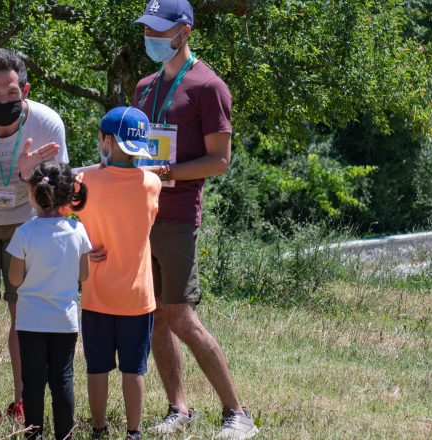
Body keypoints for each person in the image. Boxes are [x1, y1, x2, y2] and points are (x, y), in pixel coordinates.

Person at [132, 0, 260, 438]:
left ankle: (238, 413)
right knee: (154, 316)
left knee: (181, 315)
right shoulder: (144, 87)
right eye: (147, 29)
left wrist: (169, 173)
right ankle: (179, 409)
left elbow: (220, 160)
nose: (151, 37)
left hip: (179, 215)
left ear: (184, 31)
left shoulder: (209, 87)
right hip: (141, 213)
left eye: (159, 30)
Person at [0, 48, 68, 423]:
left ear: (25, 89)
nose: (3, 100)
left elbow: (59, 194)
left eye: (11, 93)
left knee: (24, 318)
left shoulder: (48, 123)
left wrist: (27, 175)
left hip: (28, 224)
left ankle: (22, 399)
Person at [75, 107, 162, 440]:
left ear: (107, 141)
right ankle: (133, 431)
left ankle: (98, 429)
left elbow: (65, 205)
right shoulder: (152, 185)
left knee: (97, 367)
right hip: (138, 299)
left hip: (96, 293)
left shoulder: (86, 183)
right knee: (134, 368)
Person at [6, 161, 92, 440]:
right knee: (62, 378)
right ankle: (64, 435)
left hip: (30, 319)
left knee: (33, 381)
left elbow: (15, 279)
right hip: (64, 321)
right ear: (67, 194)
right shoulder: (77, 231)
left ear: (32, 193)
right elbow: (84, 274)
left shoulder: (24, 233)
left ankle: (33, 434)